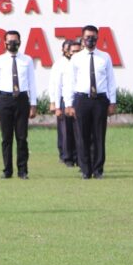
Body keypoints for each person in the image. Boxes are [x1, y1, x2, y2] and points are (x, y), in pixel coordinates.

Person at [63, 25, 117, 179]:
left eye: (93, 37)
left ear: (97, 38)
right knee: (82, 135)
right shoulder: (76, 57)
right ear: (82, 38)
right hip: (82, 100)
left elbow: (111, 81)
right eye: (87, 37)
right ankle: (86, 170)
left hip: (100, 100)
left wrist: (112, 102)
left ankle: (98, 169)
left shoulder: (105, 57)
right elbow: (70, 82)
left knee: (99, 135)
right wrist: (69, 104)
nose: (90, 40)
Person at [0, 30, 38, 179]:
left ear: (20, 42)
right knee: (6, 138)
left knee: (22, 137)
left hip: (22, 99)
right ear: (4, 43)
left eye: (15, 41)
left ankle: (23, 171)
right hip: (4, 99)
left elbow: (32, 83)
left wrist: (33, 104)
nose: (12, 44)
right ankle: (7, 170)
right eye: (9, 41)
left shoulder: (27, 60)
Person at [49, 40, 75, 166]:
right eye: (69, 50)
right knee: (65, 130)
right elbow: (55, 85)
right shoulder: (59, 64)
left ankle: (77, 156)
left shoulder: (79, 62)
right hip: (64, 100)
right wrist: (54, 103)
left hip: (78, 99)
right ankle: (66, 156)